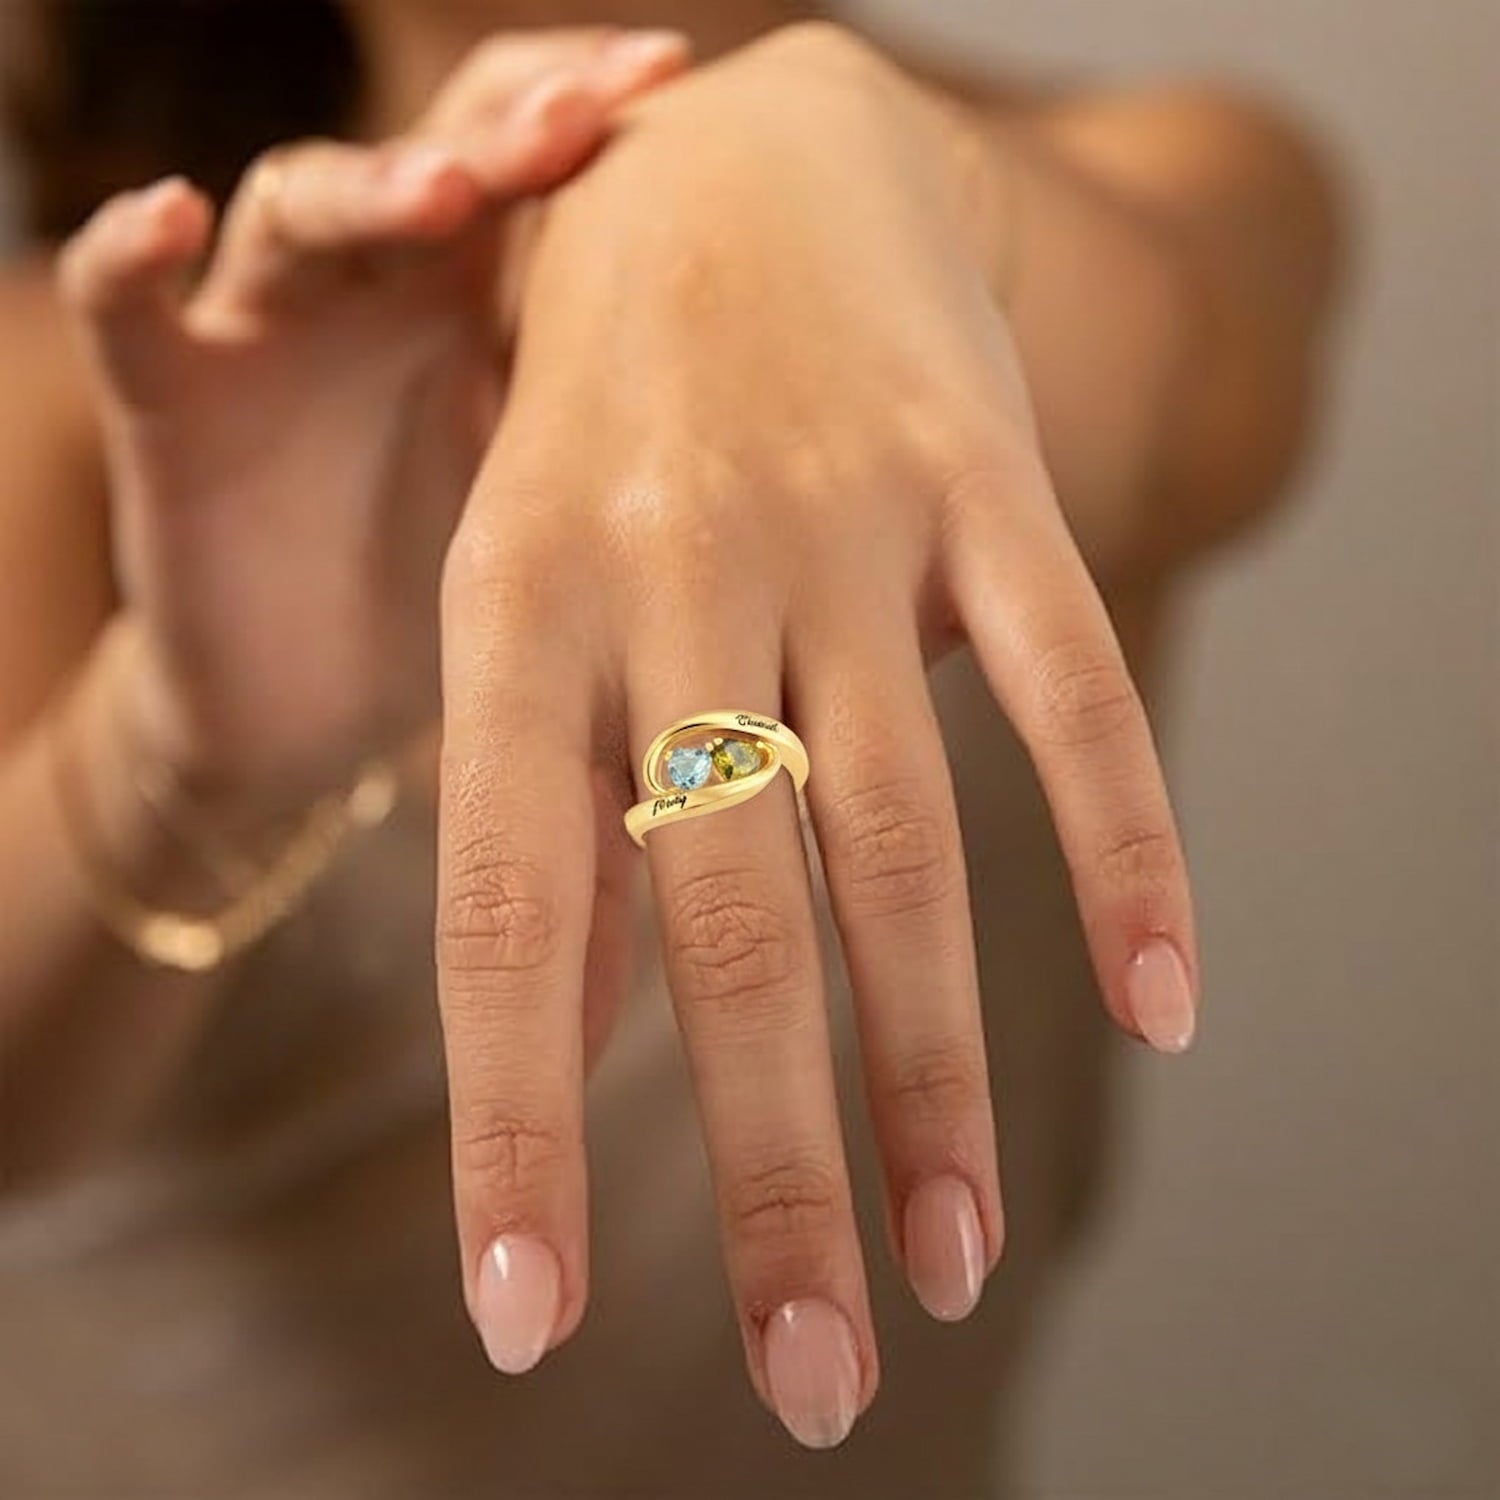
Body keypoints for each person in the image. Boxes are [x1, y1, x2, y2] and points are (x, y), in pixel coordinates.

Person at [0, 1, 1346, 1493]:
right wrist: (186, 757)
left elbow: (1163, 368)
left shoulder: (1183, 178)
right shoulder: (88, 372)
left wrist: (765, 165)